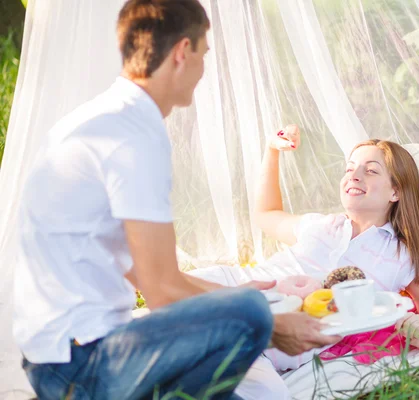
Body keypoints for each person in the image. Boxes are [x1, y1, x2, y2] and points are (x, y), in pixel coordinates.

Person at [12, 1, 338, 399]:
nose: (204, 69)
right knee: (251, 313)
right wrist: (270, 323)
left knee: (243, 325)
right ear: (183, 52)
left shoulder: (98, 118)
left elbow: (141, 270)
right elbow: (162, 290)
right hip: (84, 364)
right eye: (204, 53)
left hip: (52, 360)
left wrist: (229, 296)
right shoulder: (134, 135)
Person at [188, 126, 419, 399]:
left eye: (370, 170)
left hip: (273, 340)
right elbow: (266, 213)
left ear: (395, 192)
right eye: (349, 168)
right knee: (170, 299)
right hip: (232, 287)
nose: (354, 175)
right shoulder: (320, 225)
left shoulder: (402, 256)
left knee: (266, 393)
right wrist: (272, 151)